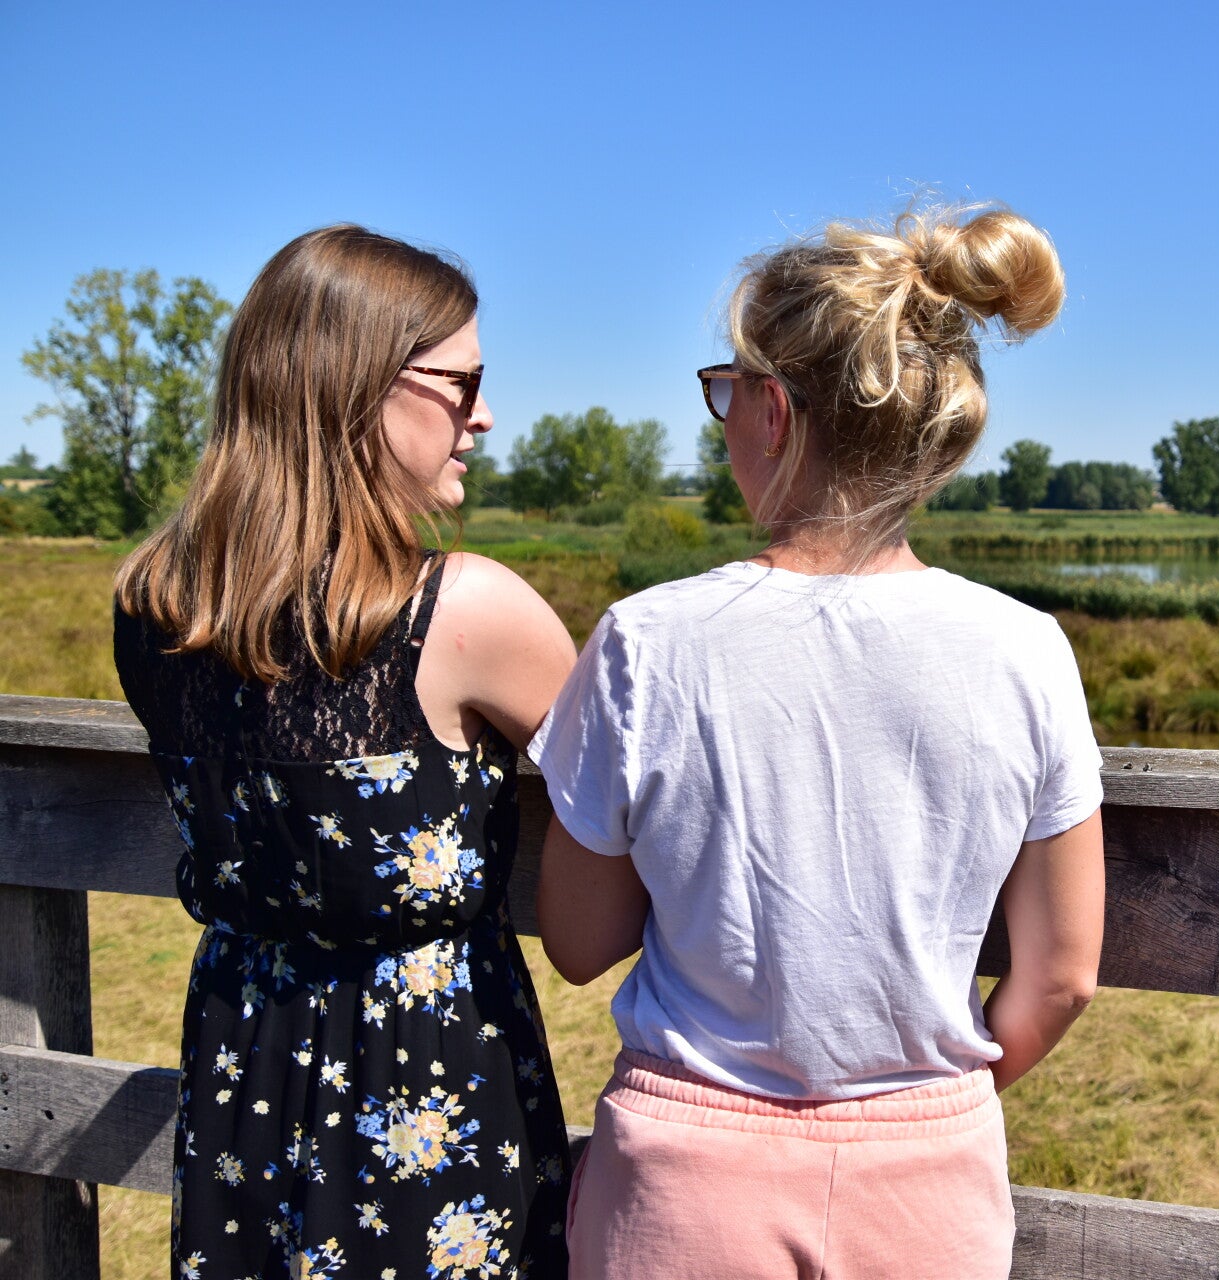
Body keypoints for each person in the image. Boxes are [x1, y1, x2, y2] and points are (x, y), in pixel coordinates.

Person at [534, 205, 1106, 1280]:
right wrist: (925, 1108)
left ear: (776, 410)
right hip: (929, 1183)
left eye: (727, 391)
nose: (722, 420)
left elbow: (577, 936)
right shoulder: (1028, 651)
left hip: (687, 1180)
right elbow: (1063, 975)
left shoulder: (645, 642)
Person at [113, 224, 576, 1277]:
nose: (485, 415)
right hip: (427, 1101)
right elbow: (640, 805)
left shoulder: (152, 608)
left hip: (241, 1079)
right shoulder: (465, 611)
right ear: (359, 385)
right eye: (463, 382)